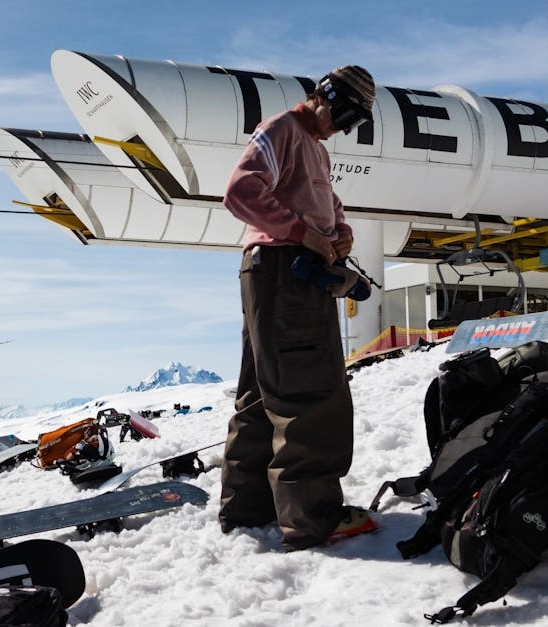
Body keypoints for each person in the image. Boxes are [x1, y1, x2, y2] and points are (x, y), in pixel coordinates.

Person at [218, 65, 380, 551]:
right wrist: (304, 235)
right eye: (345, 115)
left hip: (276, 273)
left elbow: (325, 203)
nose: (343, 128)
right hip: (286, 271)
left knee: (263, 392)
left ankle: (249, 508)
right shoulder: (281, 130)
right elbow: (241, 190)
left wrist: (339, 231)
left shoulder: (313, 148)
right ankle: (314, 517)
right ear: (325, 96)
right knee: (311, 393)